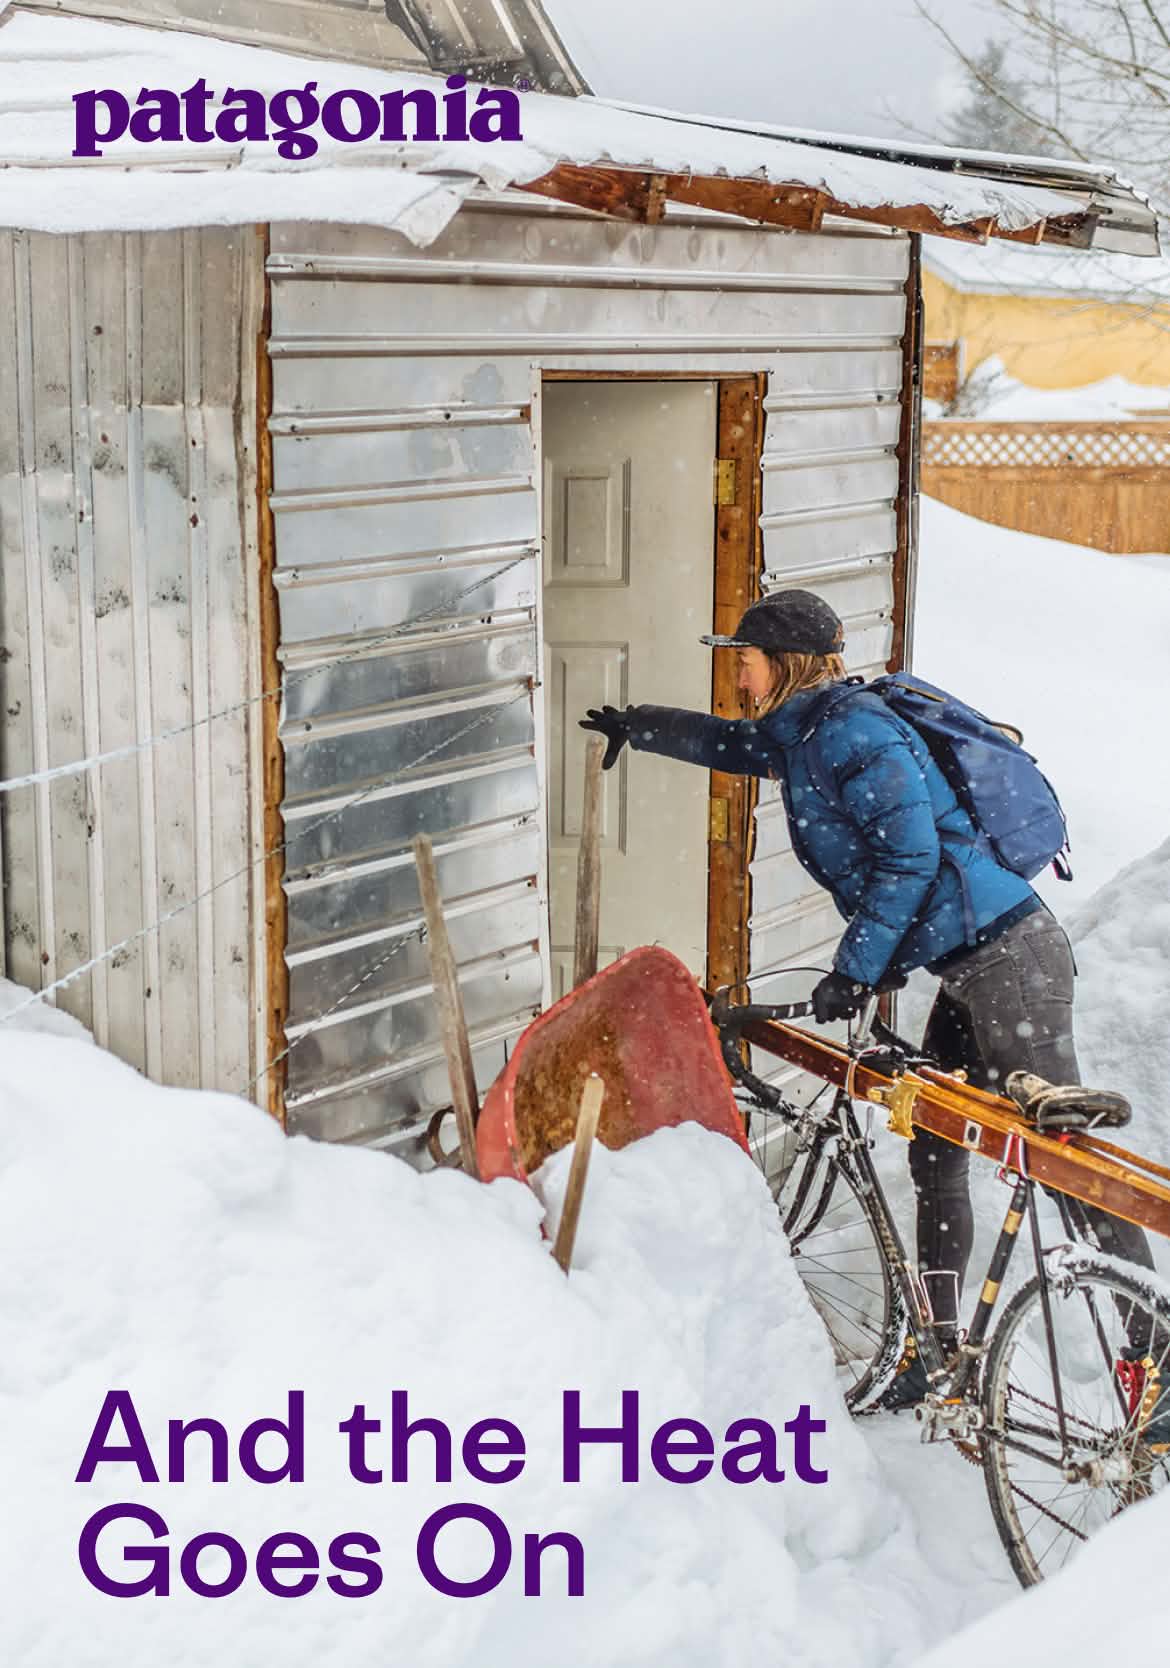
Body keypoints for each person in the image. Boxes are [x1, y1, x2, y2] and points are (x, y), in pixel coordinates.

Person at [580, 588, 1158, 1410]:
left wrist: (855, 968)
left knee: (1067, 1166)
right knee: (933, 1146)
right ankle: (940, 1346)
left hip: (1010, 960)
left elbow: (909, 862)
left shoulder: (856, 734)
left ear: (782, 664)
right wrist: (637, 725)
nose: (735, 676)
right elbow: (734, 744)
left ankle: (1155, 1354)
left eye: (742, 660)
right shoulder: (805, 733)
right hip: (969, 962)